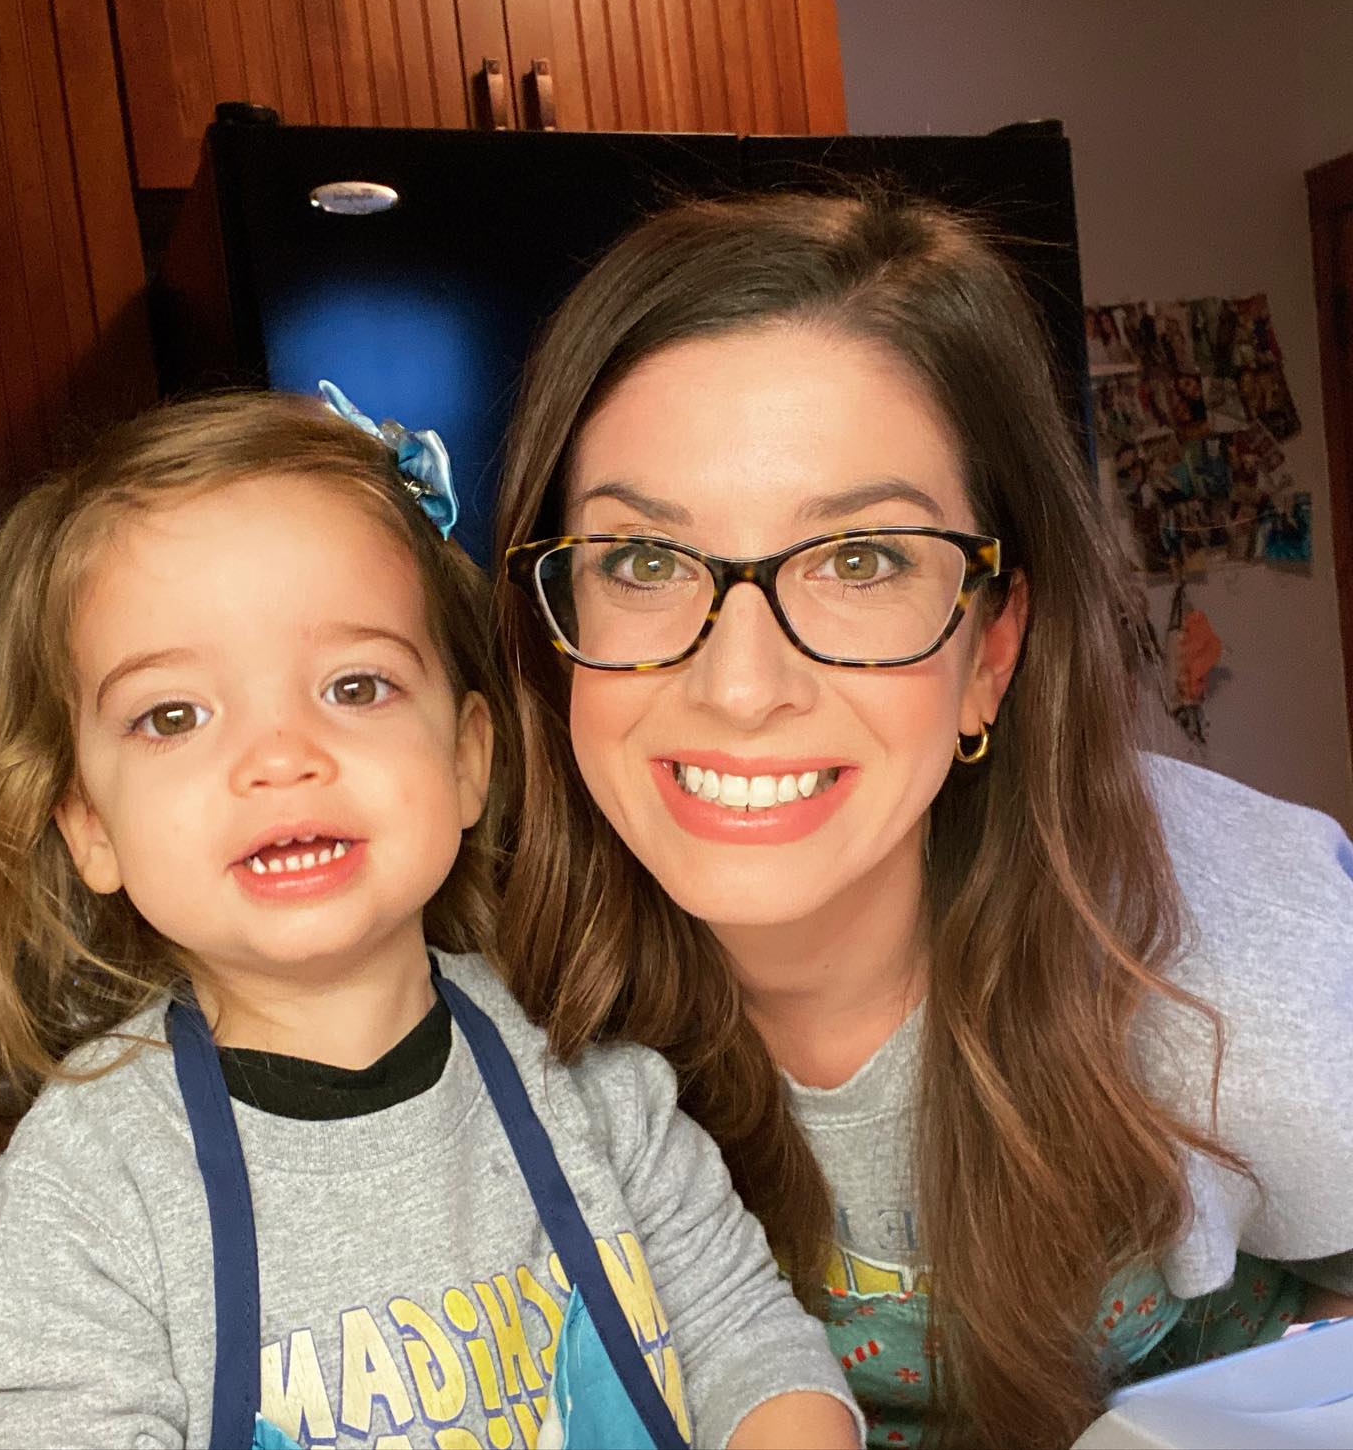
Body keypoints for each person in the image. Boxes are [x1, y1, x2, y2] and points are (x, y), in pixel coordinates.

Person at [490, 191, 1353, 1448]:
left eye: (859, 562)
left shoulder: (1226, 941)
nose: (737, 690)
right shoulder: (473, 994)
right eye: (643, 561)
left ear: (992, 650)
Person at [0, 390, 860, 1450]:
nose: (279, 758)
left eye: (355, 686)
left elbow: (755, 1351)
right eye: (173, 716)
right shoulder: (79, 1204)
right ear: (91, 828)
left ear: (465, 760)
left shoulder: (597, 1095)